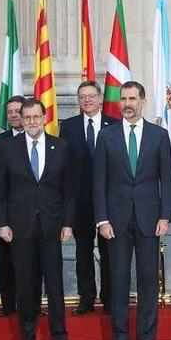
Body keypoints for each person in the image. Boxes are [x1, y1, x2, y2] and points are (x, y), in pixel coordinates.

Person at [94, 81, 171, 340]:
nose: (127, 103)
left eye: (132, 98)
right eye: (123, 99)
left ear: (142, 101)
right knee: (118, 279)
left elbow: (167, 179)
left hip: (150, 219)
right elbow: (99, 181)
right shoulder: (106, 136)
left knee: (149, 278)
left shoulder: (159, 135)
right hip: (115, 222)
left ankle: (147, 336)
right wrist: (102, 219)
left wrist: (166, 216)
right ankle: (119, 337)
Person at [0, 98, 74, 340]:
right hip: (20, 228)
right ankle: (27, 338)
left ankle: (59, 337)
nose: (31, 121)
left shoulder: (61, 147)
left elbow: (68, 191)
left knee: (54, 286)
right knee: (26, 285)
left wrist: (68, 224)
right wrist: (3, 223)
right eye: (26, 117)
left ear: (44, 117)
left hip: (52, 226)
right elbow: (1, 191)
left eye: (35, 117)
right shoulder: (8, 147)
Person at [61, 81, 119, 315]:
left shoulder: (114, 125)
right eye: (82, 96)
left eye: (91, 96)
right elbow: (65, 166)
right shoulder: (69, 126)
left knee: (109, 251)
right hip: (80, 201)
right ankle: (86, 297)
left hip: (109, 201)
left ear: (100, 97)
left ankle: (109, 297)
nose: (86, 100)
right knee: (82, 251)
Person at [0, 95, 26, 317]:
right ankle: (8, 305)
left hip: (33, 213)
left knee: (31, 263)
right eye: (10, 111)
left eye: (17, 111)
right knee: (7, 263)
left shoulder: (41, 139)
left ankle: (31, 302)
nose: (13, 115)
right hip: (6, 211)